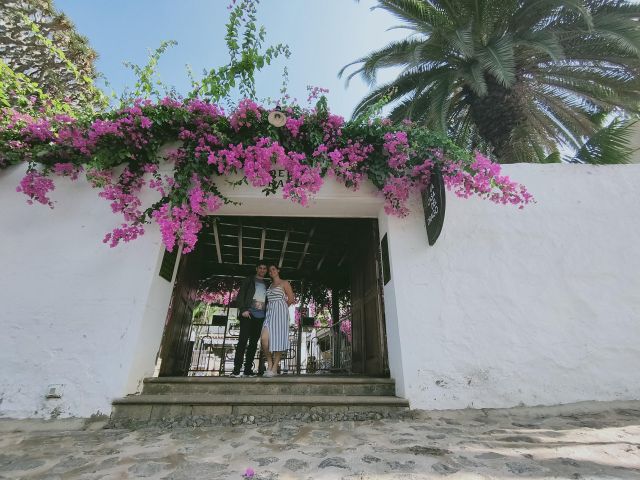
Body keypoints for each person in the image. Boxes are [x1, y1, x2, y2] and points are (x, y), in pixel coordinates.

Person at [231, 261, 268, 377]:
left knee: (253, 344)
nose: (262, 270)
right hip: (248, 314)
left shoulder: (267, 284)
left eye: (264, 269)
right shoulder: (249, 280)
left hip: (261, 317)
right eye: (260, 268)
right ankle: (236, 369)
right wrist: (243, 310)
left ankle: (247, 370)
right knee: (242, 341)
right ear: (257, 269)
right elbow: (241, 295)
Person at [260, 265, 295, 377]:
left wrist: (282, 309)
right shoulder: (269, 286)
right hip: (269, 314)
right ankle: (270, 363)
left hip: (280, 314)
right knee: (264, 339)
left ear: (278, 270)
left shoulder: (285, 283)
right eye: (269, 271)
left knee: (278, 339)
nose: (271, 271)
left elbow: (291, 299)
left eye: (273, 269)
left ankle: (274, 368)